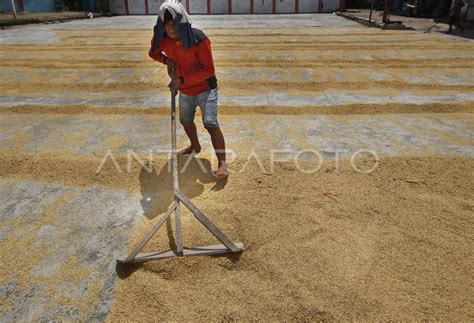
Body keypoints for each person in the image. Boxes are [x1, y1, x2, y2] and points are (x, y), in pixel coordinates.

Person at [148, 3, 228, 180]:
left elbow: (209, 70)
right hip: (185, 90)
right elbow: (152, 53)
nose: (171, 28)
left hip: (206, 88)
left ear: (182, 22)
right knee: (186, 121)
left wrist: (181, 80)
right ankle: (195, 146)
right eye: (167, 24)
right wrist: (166, 60)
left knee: (210, 123)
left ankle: (222, 163)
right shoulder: (163, 39)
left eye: (175, 23)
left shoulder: (198, 39)